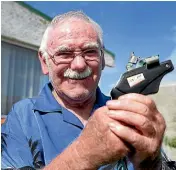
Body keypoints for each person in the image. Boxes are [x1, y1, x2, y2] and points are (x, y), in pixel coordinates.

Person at [1, 11, 175, 170]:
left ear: (102, 59)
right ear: (44, 62)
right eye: (65, 53)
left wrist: (152, 162)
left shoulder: (126, 111)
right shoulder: (22, 116)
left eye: (90, 51)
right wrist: (81, 155)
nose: (79, 64)